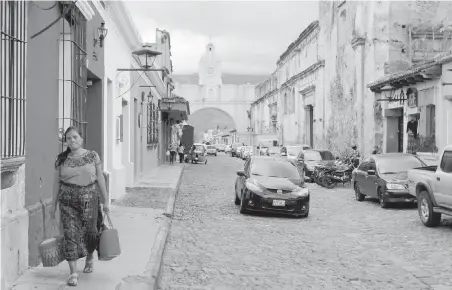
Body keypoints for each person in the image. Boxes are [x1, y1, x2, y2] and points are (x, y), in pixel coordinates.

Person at [50, 126, 109, 286]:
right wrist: (53, 204)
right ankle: (73, 273)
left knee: (90, 233)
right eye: (69, 138)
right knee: (70, 234)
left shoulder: (92, 156)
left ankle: (89, 257)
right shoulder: (61, 159)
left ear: (81, 139)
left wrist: (106, 200)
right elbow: (56, 183)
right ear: (66, 141)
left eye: (75, 137)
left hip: (89, 198)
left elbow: (100, 179)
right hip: (67, 201)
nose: (72, 140)